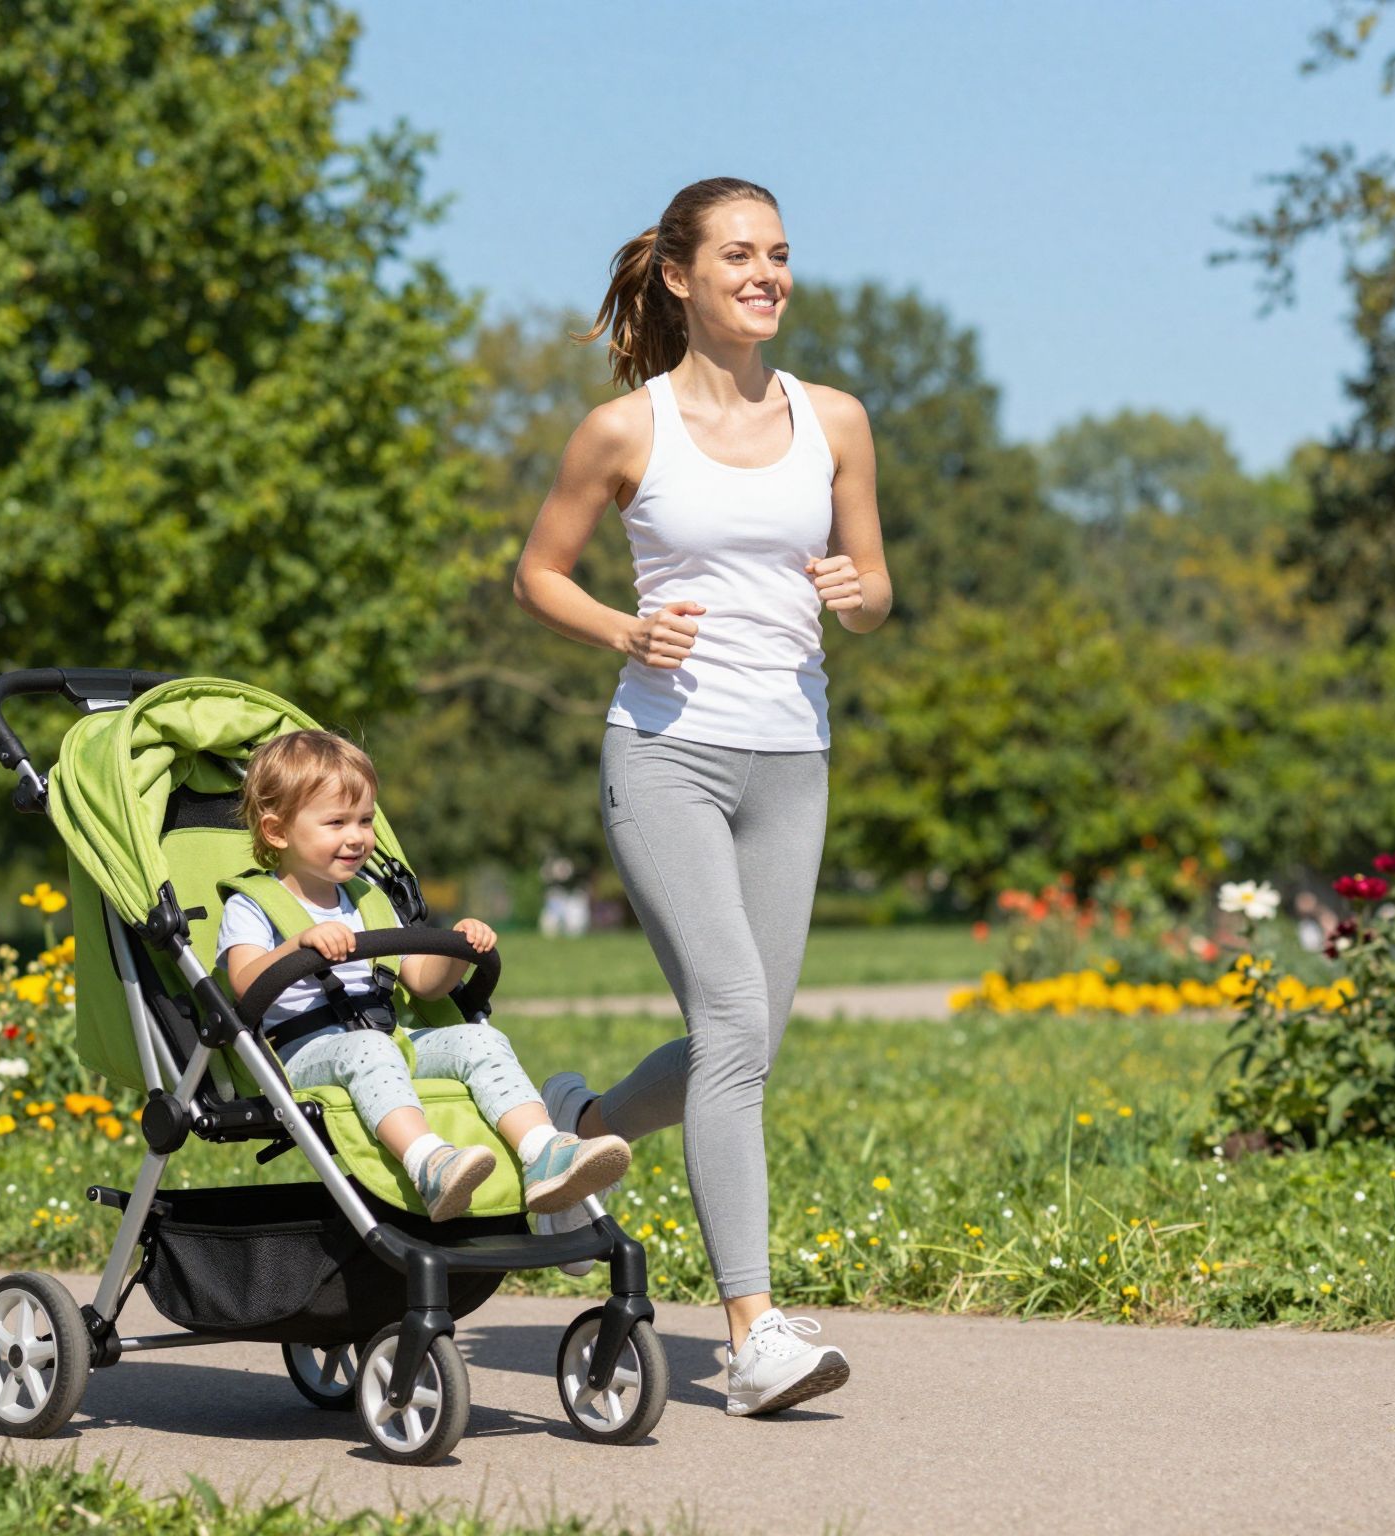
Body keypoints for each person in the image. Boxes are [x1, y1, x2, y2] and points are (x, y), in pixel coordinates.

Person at [512, 177, 892, 1416]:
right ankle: (751, 1333)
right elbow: (537, 575)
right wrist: (624, 631)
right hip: (665, 756)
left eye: (778, 253)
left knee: (748, 1043)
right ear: (678, 276)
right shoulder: (623, 431)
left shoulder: (834, 419)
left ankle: (580, 1123)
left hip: (791, 759)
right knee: (730, 1018)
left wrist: (858, 595)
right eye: (738, 254)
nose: (765, 273)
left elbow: (875, 587)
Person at [218, 729, 631, 1222]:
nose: (357, 836)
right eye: (336, 822)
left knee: (479, 1040)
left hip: (390, 1039)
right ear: (276, 831)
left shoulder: (370, 898)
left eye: (365, 820)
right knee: (369, 1049)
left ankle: (544, 1152)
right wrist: (298, 945)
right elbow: (245, 983)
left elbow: (421, 981)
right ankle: (429, 1164)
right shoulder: (253, 905)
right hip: (302, 1054)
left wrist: (457, 951)